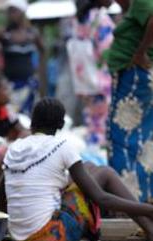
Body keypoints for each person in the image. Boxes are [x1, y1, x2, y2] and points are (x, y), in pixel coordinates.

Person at [0, 98, 153, 241]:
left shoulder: (14, 148)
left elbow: (0, 202)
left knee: (88, 167)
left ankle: (150, 230)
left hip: (20, 240)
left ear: (31, 122)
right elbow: (101, 198)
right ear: (61, 125)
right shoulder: (62, 146)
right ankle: (151, 232)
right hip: (51, 237)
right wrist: (148, 209)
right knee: (105, 173)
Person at [106, 0, 153, 203]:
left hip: (135, 76)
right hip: (135, 76)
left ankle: (129, 203)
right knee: (142, 140)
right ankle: (142, 200)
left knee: (123, 141)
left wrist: (140, 52)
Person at [0, 0, 44, 115]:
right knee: (9, 116)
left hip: (29, 84)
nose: (10, 14)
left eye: (14, 11)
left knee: (28, 117)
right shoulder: (3, 34)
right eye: (9, 11)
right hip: (8, 85)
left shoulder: (32, 34)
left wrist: (38, 70)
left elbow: (43, 50)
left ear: (22, 12)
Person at [70, 0, 115, 146]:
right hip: (102, 82)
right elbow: (107, 52)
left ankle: (92, 155)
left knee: (92, 123)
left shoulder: (78, 19)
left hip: (85, 82)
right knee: (104, 125)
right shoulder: (101, 19)